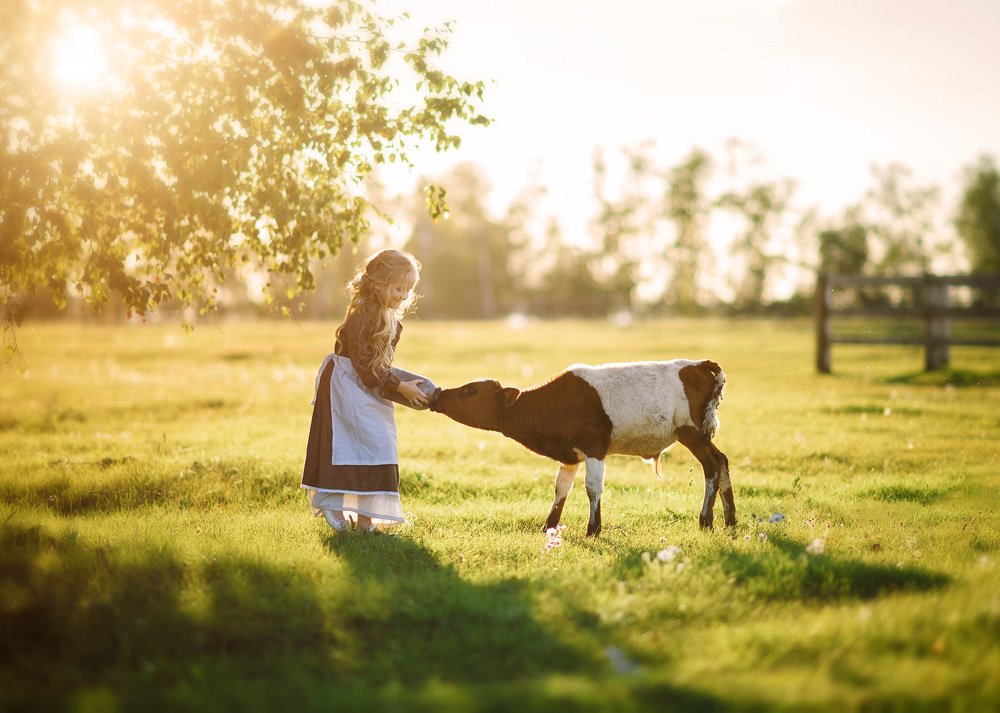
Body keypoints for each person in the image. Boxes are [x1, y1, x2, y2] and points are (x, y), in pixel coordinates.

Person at [301, 249, 428, 533]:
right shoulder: (361, 317)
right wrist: (398, 387)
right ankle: (331, 501)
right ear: (378, 284)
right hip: (345, 385)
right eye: (399, 288)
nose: (403, 295)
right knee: (346, 444)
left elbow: (381, 367)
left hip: (371, 385)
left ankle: (366, 519)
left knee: (379, 442)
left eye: (408, 290)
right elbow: (363, 366)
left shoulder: (394, 323)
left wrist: (401, 386)